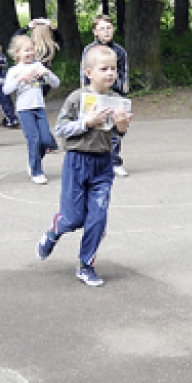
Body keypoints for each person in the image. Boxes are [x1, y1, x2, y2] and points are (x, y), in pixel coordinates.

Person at [35, 45, 133, 286]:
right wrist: (87, 122)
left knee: (97, 220)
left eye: (114, 69)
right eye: (104, 69)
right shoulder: (77, 98)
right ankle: (54, 230)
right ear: (89, 72)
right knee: (72, 218)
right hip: (77, 162)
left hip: (103, 164)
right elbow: (60, 129)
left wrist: (121, 127)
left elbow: (117, 136)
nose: (110, 73)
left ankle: (85, 265)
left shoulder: (117, 101)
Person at [3, 33, 61, 185]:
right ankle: (37, 171)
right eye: (25, 50)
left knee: (46, 140)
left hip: (39, 107)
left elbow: (56, 83)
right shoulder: (14, 71)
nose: (29, 53)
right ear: (17, 53)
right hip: (24, 109)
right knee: (33, 140)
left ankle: (33, 160)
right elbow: (6, 90)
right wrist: (20, 79)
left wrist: (47, 74)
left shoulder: (38, 66)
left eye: (31, 49)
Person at [80, 15, 130, 177]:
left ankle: (114, 161)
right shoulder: (89, 50)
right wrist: (84, 90)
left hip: (114, 92)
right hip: (94, 93)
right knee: (95, 127)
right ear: (95, 31)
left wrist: (124, 87)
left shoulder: (120, 51)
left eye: (109, 28)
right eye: (102, 28)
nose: (106, 31)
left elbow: (124, 71)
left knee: (115, 127)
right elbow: (84, 72)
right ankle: (94, 160)